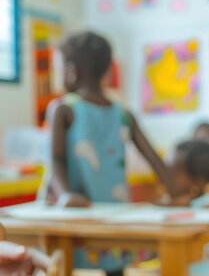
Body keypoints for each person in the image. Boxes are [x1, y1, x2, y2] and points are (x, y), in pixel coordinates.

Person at [47, 31, 178, 273]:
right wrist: (176, 192)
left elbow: (56, 160)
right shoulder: (122, 113)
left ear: (71, 71)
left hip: (75, 217)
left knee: (63, 267)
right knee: (113, 269)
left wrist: (65, 196)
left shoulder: (62, 109)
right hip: (110, 217)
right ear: (107, 71)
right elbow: (154, 158)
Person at [163, 140, 209, 208]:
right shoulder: (167, 198)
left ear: (198, 181)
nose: (168, 176)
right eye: (169, 170)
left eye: (174, 172)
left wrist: (185, 205)